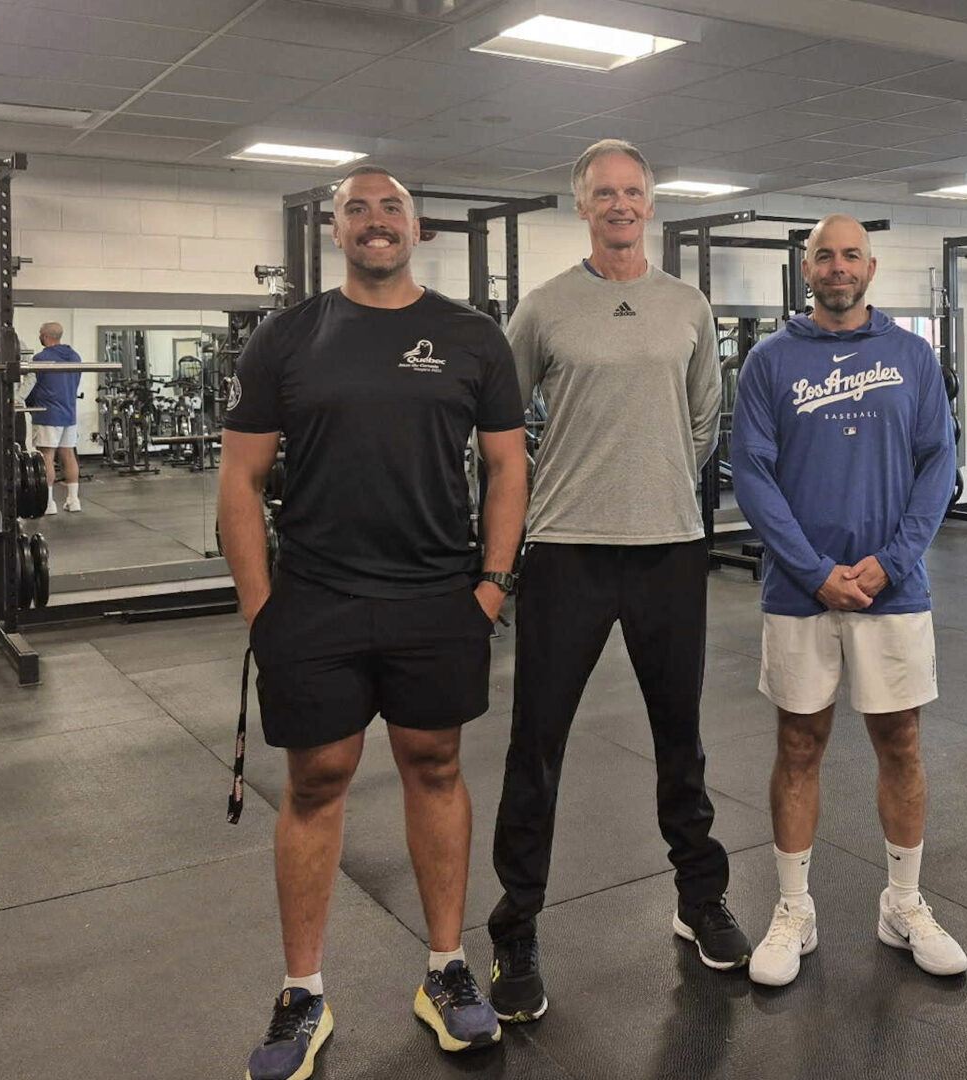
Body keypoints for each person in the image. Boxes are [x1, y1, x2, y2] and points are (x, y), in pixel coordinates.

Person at [218, 165, 529, 1080]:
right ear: (336, 230)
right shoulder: (287, 337)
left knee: (435, 765)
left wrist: (492, 586)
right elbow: (238, 480)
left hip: (439, 597)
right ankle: (302, 990)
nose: (374, 220)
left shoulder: (472, 336)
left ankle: (444, 970)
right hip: (314, 598)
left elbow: (507, 467)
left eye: (389, 206)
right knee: (316, 779)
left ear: (416, 227)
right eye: (356, 208)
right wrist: (259, 607)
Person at [487, 138, 749, 1020]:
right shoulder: (545, 308)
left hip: (670, 545)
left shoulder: (687, 305)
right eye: (604, 193)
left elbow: (706, 414)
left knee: (681, 738)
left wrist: (663, 476)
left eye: (632, 192)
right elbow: (496, 420)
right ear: (581, 204)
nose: (619, 205)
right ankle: (516, 925)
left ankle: (698, 899)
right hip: (566, 548)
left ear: (650, 201)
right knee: (538, 744)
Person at [729, 214, 966, 987]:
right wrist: (811, 570)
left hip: (892, 593)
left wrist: (891, 565)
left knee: (900, 741)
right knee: (799, 745)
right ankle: (793, 909)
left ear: (871, 266)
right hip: (800, 595)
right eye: (825, 255)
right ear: (807, 269)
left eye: (850, 255)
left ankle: (902, 903)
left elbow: (938, 465)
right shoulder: (769, 362)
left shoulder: (911, 356)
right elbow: (753, 475)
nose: (838, 267)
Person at [26, 322, 84, 514]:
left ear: (45, 336)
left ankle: (49, 503)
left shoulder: (41, 358)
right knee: (68, 454)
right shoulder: (75, 356)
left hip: (47, 412)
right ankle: (74, 500)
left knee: (46, 457)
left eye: (40, 334)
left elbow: (31, 386)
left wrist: (23, 402)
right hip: (69, 412)